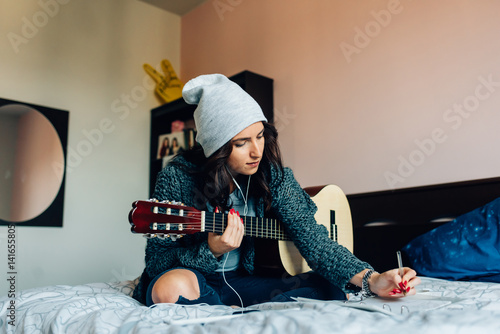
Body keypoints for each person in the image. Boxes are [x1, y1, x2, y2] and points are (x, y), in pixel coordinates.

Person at [132, 74, 421, 307]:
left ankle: (222, 311)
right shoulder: (177, 177)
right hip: (194, 278)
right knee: (170, 288)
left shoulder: (273, 175)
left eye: (260, 135)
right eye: (242, 142)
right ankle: (228, 311)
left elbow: (315, 243)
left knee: (333, 285)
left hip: (243, 282)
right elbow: (158, 262)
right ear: (217, 147)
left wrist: (373, 278)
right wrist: (210, 249)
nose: (257, 150)